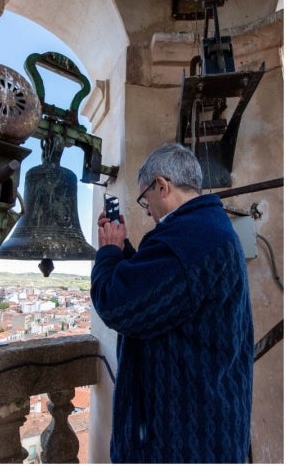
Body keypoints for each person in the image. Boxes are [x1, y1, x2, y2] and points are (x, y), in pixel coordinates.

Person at [90, 142, 253, 463]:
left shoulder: (188, 239)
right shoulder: (208, 229)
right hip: (206, 430)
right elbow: (163, 295)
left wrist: (108, 252)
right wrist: (125, 253)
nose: (146, 208)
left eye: (144, 198)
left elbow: (116, 304)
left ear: (162, 186)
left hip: (179, 443)